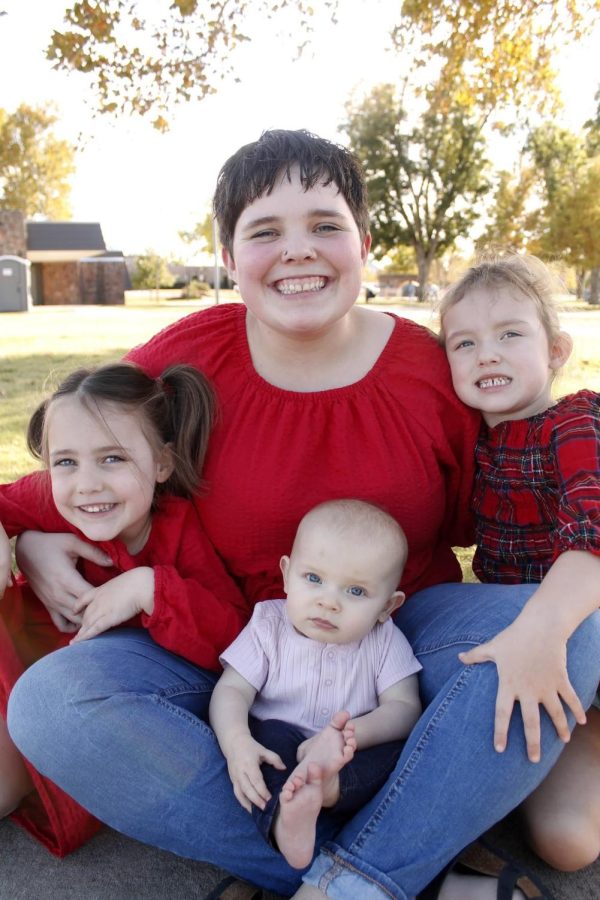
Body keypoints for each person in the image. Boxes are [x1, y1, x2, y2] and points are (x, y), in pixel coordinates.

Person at [5, 130, 600, 900]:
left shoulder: (431, 368)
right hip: (226, 648)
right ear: (228, 255)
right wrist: (30, 534)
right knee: (52, 708)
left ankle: (353, 871)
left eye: (324, 224)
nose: (298, 251)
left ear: (364, 241)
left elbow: (517, 502)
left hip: (398, 645)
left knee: (574, 626)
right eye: (265, 231)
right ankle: (376, 868)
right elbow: (83, 458)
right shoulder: (186, 361)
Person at [0, 361, 249, 855]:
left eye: (111, 459)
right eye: (65, 462)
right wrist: (20, 539)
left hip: (95, 703)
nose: (86, 484)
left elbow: (232, 639)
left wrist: (149, 588)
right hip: (19, 664)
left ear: (162, 464)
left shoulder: (177, 531)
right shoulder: (52, 501)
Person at [439, 253, 600, 874]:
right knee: (567, 843)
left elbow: (594, 526)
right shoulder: (473, 446)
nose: (488, 354)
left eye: (511, 335)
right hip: (554, 668)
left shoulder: (575, 423)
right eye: (466, 343)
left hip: (575, 622)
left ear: (556, 350)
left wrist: (542, 628)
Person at [209, 499, 422, 869]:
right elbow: (231, 690)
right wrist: (236, 742)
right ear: (287, 574)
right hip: (281, 746)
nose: (328, 602)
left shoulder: (384, 638)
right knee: (266, 741)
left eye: (355, 592)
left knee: (400, 755)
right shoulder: (268, 625)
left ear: (388, 607)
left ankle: (327, 789)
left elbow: (405, 708)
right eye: (314, 579)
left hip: (348, 759)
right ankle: (285, 817)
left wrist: (351, 734)